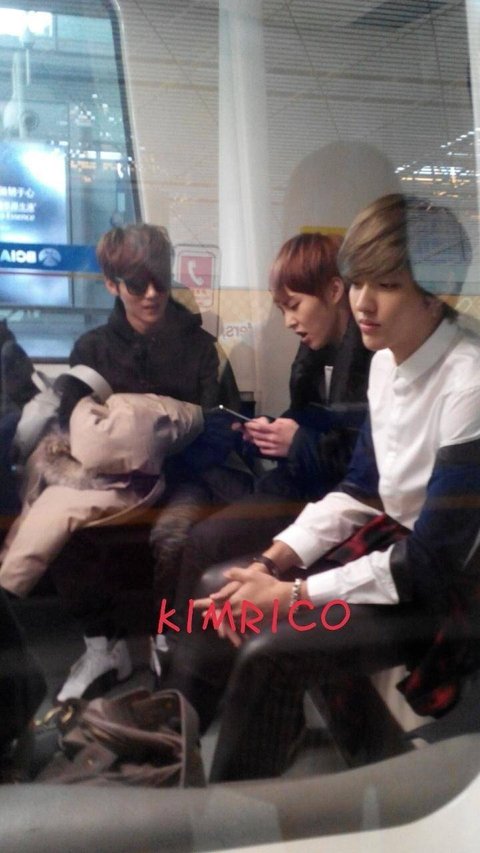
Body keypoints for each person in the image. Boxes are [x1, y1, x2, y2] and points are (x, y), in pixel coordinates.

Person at [164, 194, 480, 781]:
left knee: (271, 650)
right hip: (397, 549)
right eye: (357, 281)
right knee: (220, 588)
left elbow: (432, 564)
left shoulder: (470, 381)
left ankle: (231, 813)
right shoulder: (386, 360)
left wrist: (291, 594)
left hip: (441, 583)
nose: (362, 301)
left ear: (435, 292)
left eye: (386, 284)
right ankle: (166, 747)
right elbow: (359, 488)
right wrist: (270, 562)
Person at [149, 232, 372, 674]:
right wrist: (269, 431)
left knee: (207, 549)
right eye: (282, 309)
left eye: (295, 306)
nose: (288, 321)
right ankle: (176, 645)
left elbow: (365, 463)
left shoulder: (372, 360)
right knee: (198, 541)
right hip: (301, 483)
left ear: (334, 291)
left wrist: (297, 443)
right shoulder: (315, 355)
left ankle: (183, 655)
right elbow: (310, 422)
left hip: (328, 498)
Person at [38, 223, 239, 701]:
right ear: (111, 284)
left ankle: (166, 635)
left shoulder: (201, 347)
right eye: (136, 284)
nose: (151, 294)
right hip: (113, 480)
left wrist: (161, 452)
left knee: (174, 535)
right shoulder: (91, 350)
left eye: (160, 281)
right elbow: (72, 428)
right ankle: (103, 645)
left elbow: (223, 426)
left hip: (186, 475)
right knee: (57, 521)